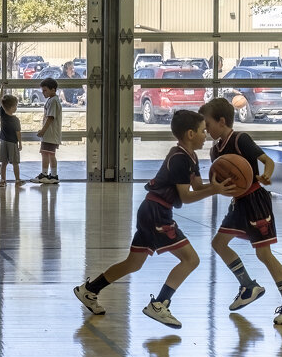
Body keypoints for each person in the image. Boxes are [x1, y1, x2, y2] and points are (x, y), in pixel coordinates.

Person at [72, 110, 235, 329]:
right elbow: (186, 197)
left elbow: (197, 187)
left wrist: (219, 187)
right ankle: (159, 304)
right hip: (156, 212)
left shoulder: (191, 156)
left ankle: (90, 290)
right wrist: (214, 191)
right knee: (191, 260)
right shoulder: (179, 158)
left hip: (152, 210)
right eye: (202, 131)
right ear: (189, 134)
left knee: (134, 263)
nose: (205, 135)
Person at [199, 97, 282, 325]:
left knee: (263, 254)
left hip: (256, 200)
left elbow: (267, 161)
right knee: (219, 243)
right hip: (238, 202)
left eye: (207, 125)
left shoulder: (240, 140)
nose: (205, 130)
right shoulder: (215, 151)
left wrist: (266, 174)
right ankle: (248, 286)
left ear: (222, 121)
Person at [33, 78, 62, 184]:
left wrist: (43, 131)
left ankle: (52, 175)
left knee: (49, 153)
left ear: (53, 90)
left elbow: (50, 117)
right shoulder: (51, 100)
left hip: (50, 133)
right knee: (46, 153)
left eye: (45, 90)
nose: (43, 92)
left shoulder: (54, 101)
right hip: (49, 134)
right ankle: (46, 174)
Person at [0, 94, 25, 187]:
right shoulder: (15, 120)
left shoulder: (2, 114)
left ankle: (2, 180)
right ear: (12, 107)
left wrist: (2, 88)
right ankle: (17, 180)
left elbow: (1, 101)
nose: (16, 107)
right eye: (16, 106)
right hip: (13, 143)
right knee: (15, 163)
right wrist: (20, 143)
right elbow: (18, 133)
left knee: (3, 163)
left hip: (3, 142)